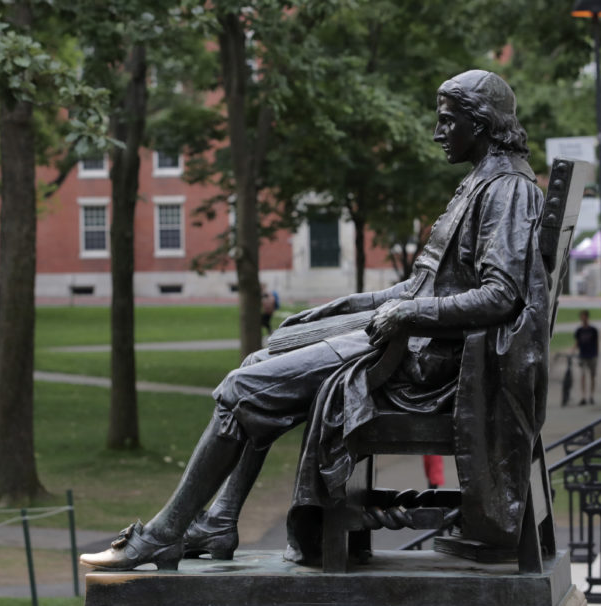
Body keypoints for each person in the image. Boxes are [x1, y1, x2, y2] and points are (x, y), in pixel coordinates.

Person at [80, 69, 549, 571]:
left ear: (479, 124)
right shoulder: (484, 181)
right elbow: (426, 285)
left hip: (427, 366)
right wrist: (345, 305)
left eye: (447, 121)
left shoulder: (506, 191)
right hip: (414, 344)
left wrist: (408, 313)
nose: (438, 133)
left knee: (243, 388)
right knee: (269, 352)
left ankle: (164, 533)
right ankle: (219, 519)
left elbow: (501, 296)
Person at [572, 309, 599, 405]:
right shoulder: (579, 330)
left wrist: (596, 354)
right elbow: (577, 341)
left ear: (587, 317)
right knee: (583, 375)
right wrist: (573, 350)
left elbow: (597, 343)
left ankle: (591, 395)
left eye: (584, 316)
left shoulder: (593, 330)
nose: (582, 318)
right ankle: (583, 396)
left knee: (592, 376)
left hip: (592, 355)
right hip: (583, 355)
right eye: (581, 316)